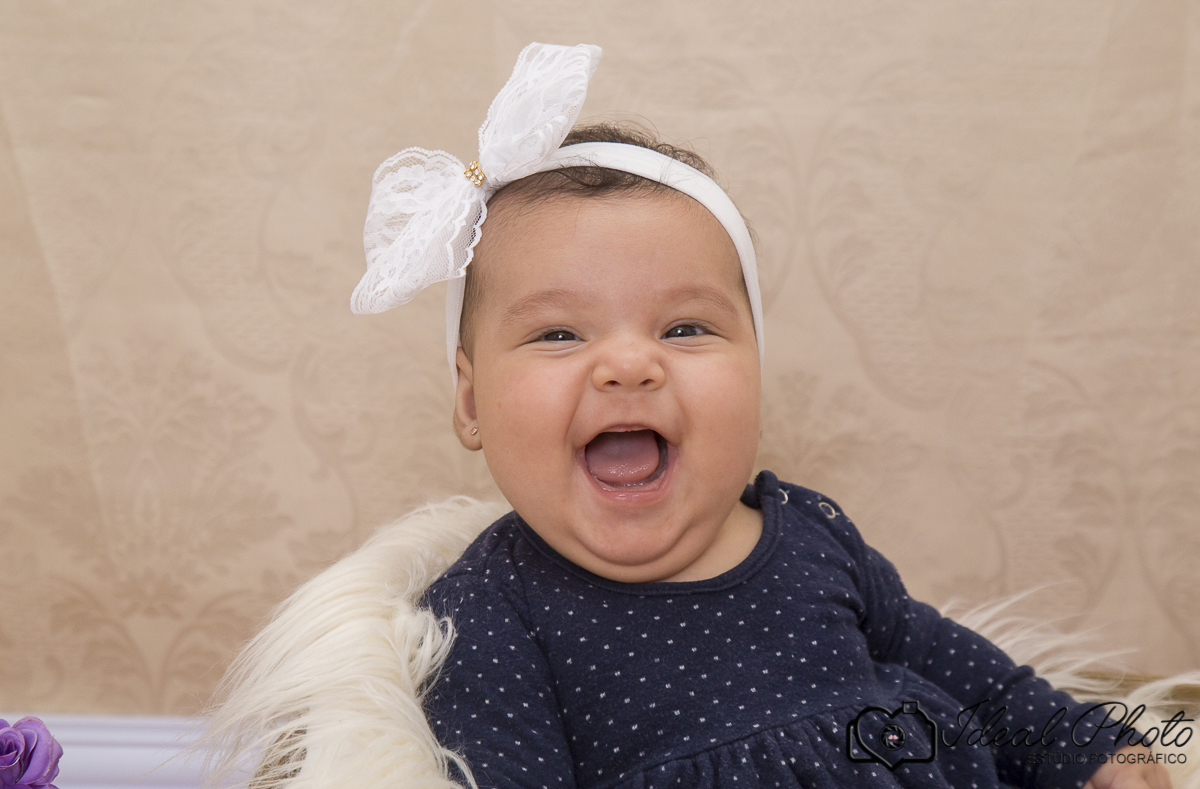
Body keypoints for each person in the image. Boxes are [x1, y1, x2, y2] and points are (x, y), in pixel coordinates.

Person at [353, 43, 1172, 789]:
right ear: (470, 402)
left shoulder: (812, 535)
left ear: (756, 371)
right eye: (559, 332)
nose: (631, 363)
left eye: (685, 328)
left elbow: (966, 670)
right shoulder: (494, 612)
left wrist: (1084, 745)